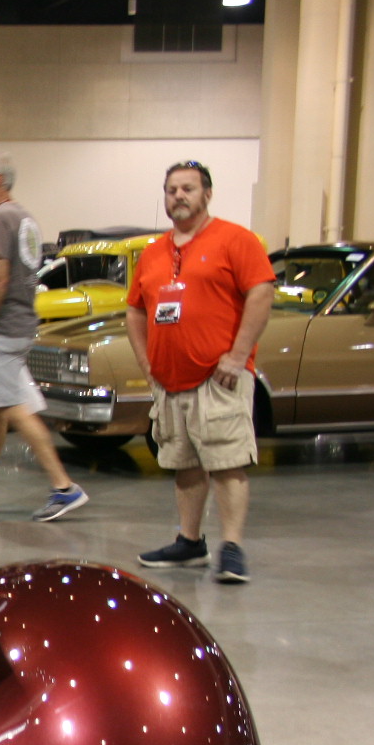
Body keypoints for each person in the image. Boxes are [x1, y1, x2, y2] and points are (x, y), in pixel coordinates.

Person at [126, 160, 273, 583]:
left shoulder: (235, 240)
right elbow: (135, 310)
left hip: (219, 377)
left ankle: (232, 547)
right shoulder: (154, 252)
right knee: (184, 462)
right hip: (170, 381)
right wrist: (146, 362)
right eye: (172, 189)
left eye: (188, 188)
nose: (179, 196)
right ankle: (190, 542)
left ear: (207, 194)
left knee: (226, 460)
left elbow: (261, 292)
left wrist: (237, 353)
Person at [0, 149, 88, 522]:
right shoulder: (25, 218)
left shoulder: (0, 219)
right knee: (0, 410)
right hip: (20, 326)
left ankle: (64, 487)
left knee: (15, 407)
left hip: (1, 330)